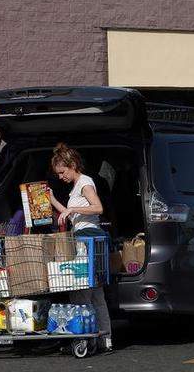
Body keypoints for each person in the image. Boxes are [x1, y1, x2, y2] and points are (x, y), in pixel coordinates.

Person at [48, 143, 112, 352]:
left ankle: (83, 338)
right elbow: (71, 213)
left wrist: (72, 208)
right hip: (85, 237)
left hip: (88, 238)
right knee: (95, 294)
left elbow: (98, 207)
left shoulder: (85, 183)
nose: (60, 177)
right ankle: (105, 338)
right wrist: (53, 200)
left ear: (72, 165)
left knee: (82, 293)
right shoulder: (77, 186)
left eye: (62, 172)